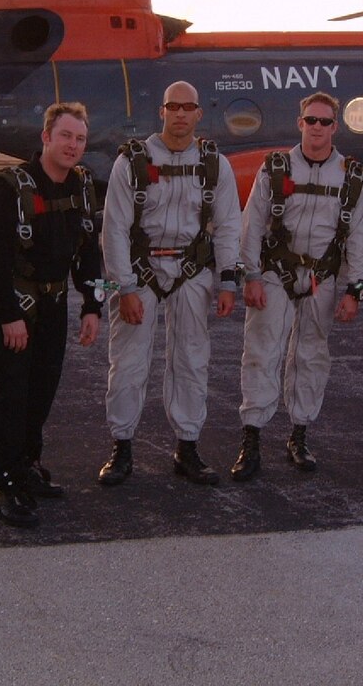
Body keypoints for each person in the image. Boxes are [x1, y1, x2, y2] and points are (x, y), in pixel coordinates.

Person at [98, 81, 242, 486]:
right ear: (161, 111)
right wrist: (124, 287)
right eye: (173, 106)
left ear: (199, 113)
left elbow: (229, 224)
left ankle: (188, 447)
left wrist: (228, 279)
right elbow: (114, 229)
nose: (180, 114)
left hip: (192, 271)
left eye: (188, 107)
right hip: (141, 271)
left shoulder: (215, 164)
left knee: (192, 359)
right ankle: (121, 448)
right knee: (128, 362)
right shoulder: (133, 162)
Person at [0, 102, 103, 527]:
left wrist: (92, 304)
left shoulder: (81, 186)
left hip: (53, 304)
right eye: (65, 136)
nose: (73, 145)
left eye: (80, 139)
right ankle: (5, 482)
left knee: (42, 389)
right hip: (13, 304)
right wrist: (8, 314)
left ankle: (27, 464)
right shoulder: (8, 188)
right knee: (11, 393)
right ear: (45, 137)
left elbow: (87, 252)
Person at [230, 92, 363, 481]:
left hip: (322, 278)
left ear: (335, 126)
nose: (318, 128)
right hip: (275, 273)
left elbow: (359, 237)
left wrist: (354, 290)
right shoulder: (275, 168)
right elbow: (252, 224)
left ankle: (299, 434)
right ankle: (251, 438)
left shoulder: (351, 176)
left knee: (311, 355)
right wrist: (251, 275)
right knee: (261, 351)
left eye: (326, 122)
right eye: (312, 120)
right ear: (300, 123)